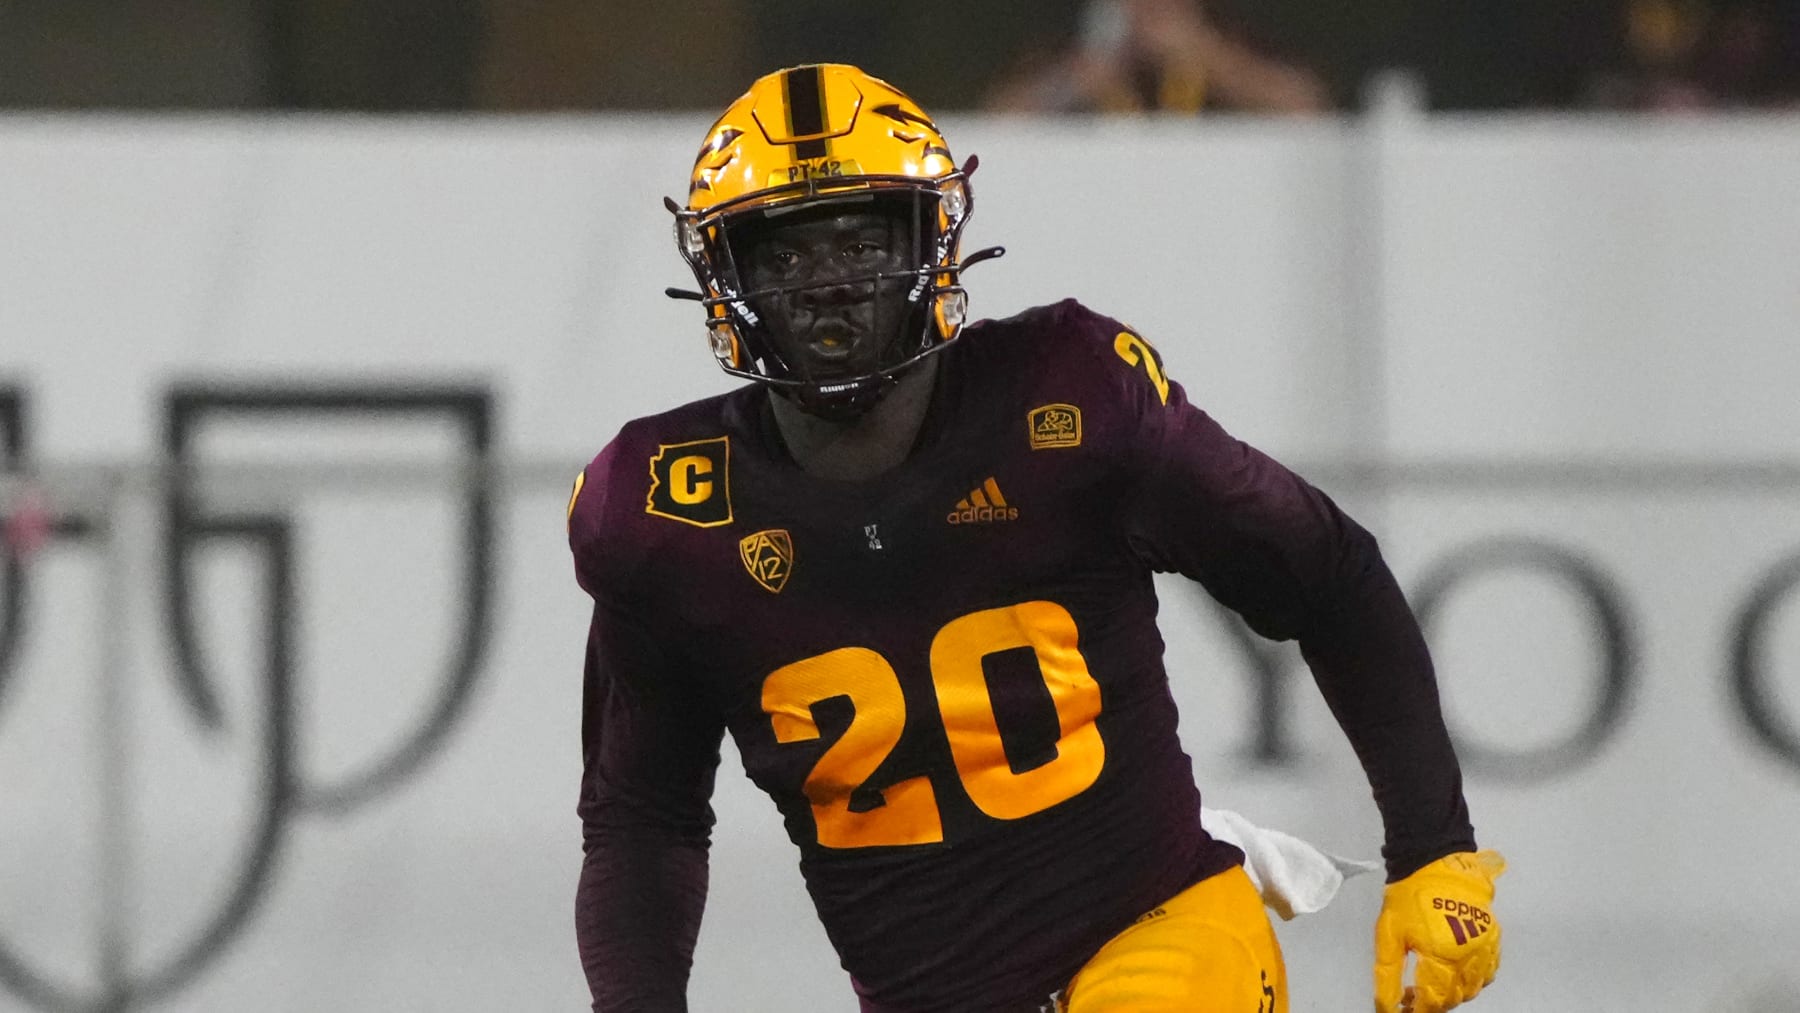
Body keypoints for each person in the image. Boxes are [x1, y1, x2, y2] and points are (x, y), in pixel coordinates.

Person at [565, 62, 1504, 1012]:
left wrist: (1434, 848)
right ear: (727, 276)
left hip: (1159, 920)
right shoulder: (664, 516)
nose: (829, 287)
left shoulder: (1066, 402)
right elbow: (643, 818)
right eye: (786, 255)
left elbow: (1326, 570)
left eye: (859, 240)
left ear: (932, 238)